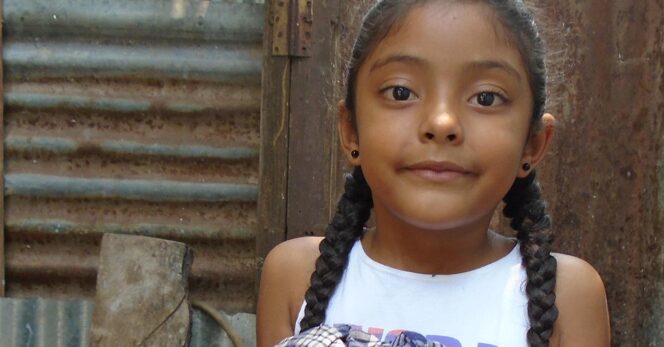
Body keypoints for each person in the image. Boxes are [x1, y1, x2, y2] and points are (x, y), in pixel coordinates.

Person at [256, 1, 611, 346]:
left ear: (533, 144)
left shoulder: (570, 296)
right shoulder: (294, 275)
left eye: (486, 98)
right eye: (401, 92)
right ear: (351, 129)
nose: (442, 123)